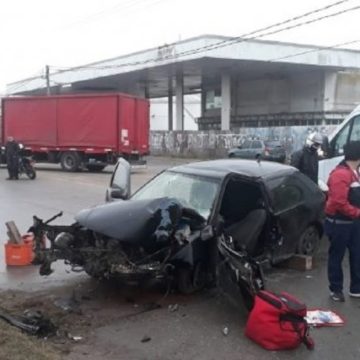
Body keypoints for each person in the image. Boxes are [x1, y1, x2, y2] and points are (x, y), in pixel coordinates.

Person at [325, 141, 360, 302]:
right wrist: (357, 212)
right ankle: (336, 289)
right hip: (339, 224)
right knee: (336, 257)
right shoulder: (341, 174)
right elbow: (339, 202)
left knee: (357, 255)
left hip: (353, 223)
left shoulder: (355, 172)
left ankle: (356, 288)